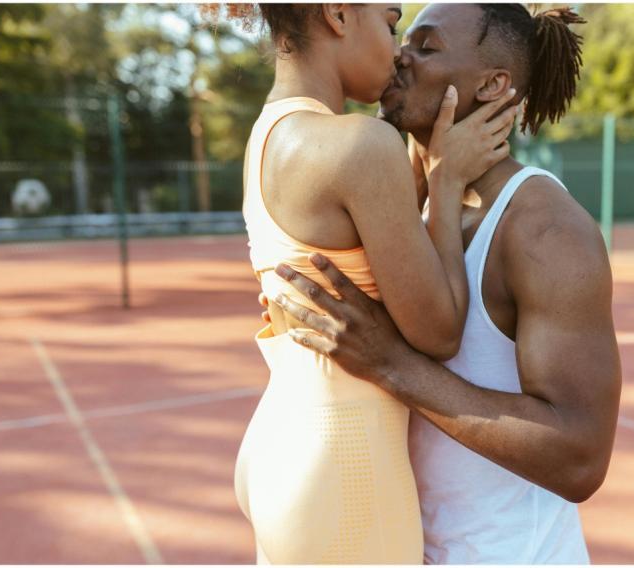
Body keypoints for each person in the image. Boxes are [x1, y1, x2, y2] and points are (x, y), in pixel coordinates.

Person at [267, 3, 622, 564]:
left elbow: (580, 458)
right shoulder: (412, 201)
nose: (400, 55)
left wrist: (393, 365)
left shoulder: (544, 229)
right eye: (403, 39)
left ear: (492, 85)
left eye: (427, 47)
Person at [201, 3, 519, 564]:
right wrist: (445, 183)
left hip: (281, 439)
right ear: (339, 14)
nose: (397, 50)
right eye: (391, 22)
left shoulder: (269, 133)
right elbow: (439, 332)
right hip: (344, 455)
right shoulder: (361, 144)